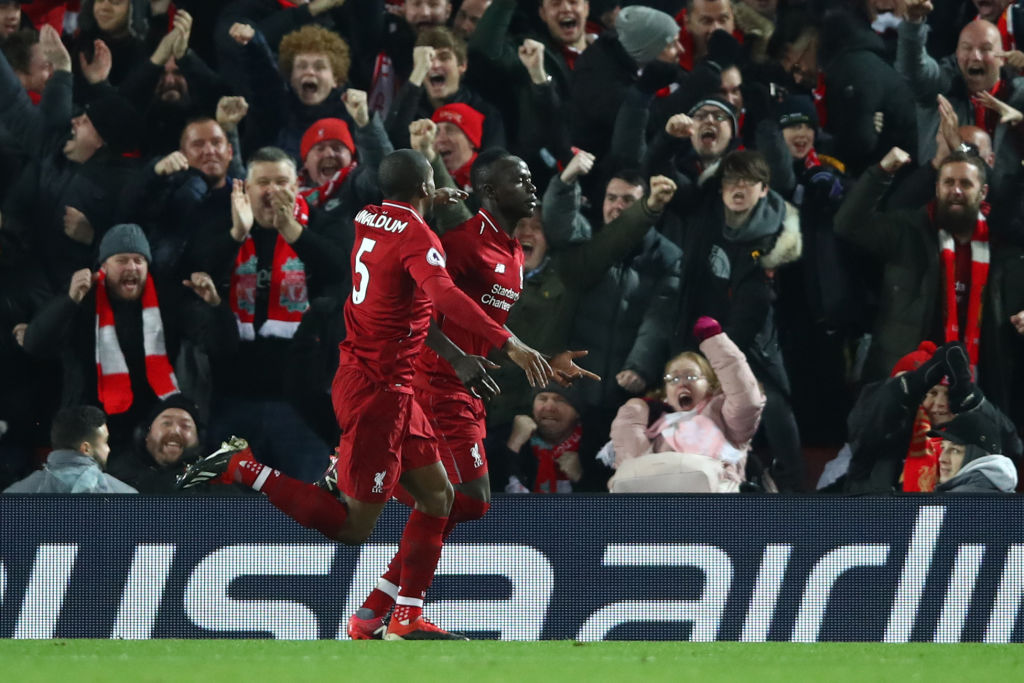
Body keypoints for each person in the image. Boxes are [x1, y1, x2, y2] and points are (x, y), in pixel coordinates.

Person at [179, 149, 556, 641]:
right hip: (379, 392)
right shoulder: (422, 237)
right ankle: (243, 467)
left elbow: (401, 220)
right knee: (353, 528)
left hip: (379, 382)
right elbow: (441, 295)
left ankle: (403, 617)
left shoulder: (369, 216)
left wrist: (427, 200)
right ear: (424, 190)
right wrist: (511, 342)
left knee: (439, 497)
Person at [348, 148, 596, 639]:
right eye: (519, 179)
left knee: (457, 500)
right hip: (433, 383)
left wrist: (543, 357)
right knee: (470, 497)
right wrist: (458, 359)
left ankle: (376, 610)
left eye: (530, 179)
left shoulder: (515, 251)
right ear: (488, 192)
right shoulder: (459, 244)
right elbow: (420, 309)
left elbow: (483, 330)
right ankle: (402, 614)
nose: (531, 187)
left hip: (464, 387)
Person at [22, 224, 237, 452]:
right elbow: (35, 344)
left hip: (151, 430)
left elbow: (223, 347)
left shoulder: (168, 300)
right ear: (103, 266)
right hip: (91, 430)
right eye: (122, 260)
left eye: (139, 260)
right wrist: (69, 300)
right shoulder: (84, 299)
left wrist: (215, 306)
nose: (132, 267)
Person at [606, 317, 765, 493]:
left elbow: (746, 400)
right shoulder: (655, 428)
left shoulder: (725, 418)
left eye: (691, 376)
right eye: (673, 379)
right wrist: (633, 413)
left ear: (710, 385)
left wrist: (714, 341)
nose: (682, 383)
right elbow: (634, 474)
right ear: (666, 395)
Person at [3, 405, 136, 494]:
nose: (108, 449)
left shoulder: (15, 496)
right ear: (86, 448)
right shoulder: (124, 496)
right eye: (105, 442)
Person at [106, 394, 206, 493]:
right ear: (146, 434)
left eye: (185, 425)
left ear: (198, 438)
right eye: (166, 423)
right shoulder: (115, 477)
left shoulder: (212, 479)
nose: (174, 431)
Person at [499, 383, 589, 493]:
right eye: (542, 398)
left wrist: (581, 477)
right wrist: (512, 446)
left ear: (577, 412)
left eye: (560, 400)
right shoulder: (504, 436)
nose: (549, 407)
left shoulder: (598, 446)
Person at [931, 409, 1018, 493]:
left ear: (979, 456)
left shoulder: (956, 501)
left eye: (955, 451)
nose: (942, 459)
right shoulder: (1004, 494)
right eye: (942, 448)